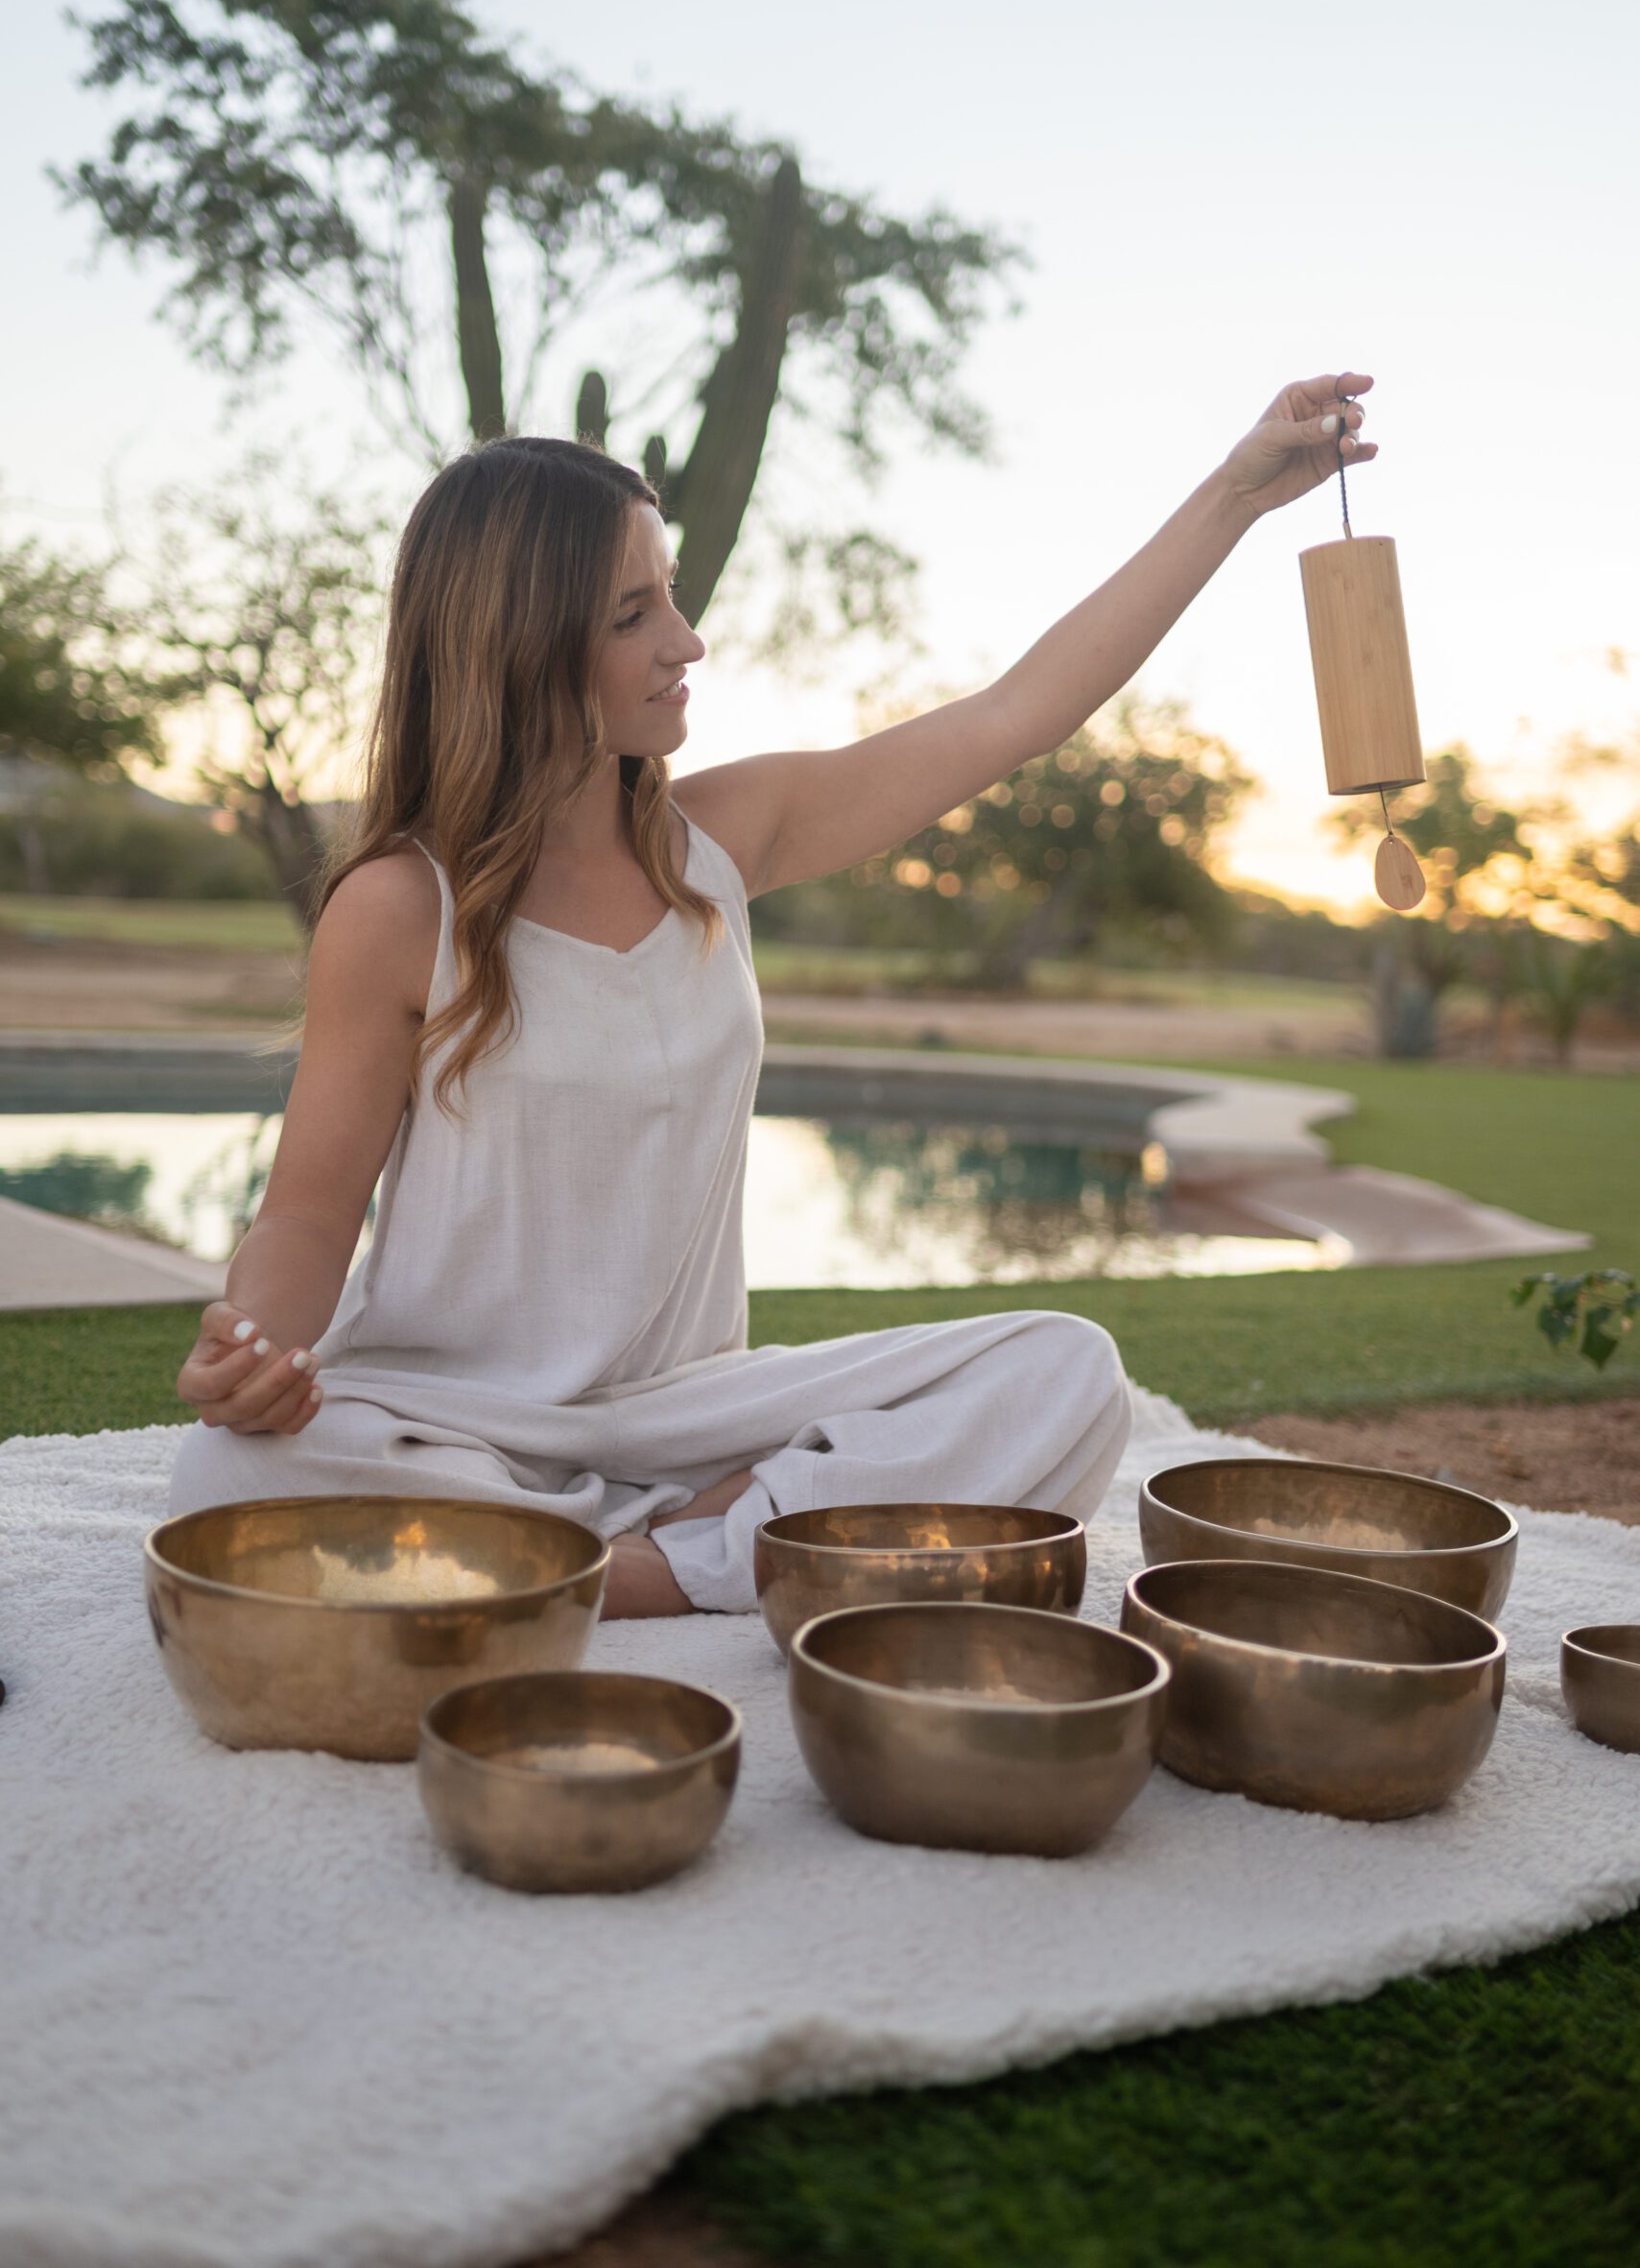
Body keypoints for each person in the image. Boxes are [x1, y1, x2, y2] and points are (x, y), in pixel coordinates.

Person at [169, 373, 1376, 1615]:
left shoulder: (722, 840)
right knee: (221, 1472)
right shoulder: (396, 906)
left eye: (672, 600)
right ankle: (706, 1557)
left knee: (1062, 1373)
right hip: (452, 1416)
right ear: (519, 645)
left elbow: (1018, 713)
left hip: (692, 1417)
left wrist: (1231, 498)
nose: (686, 643)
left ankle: (590, 1565)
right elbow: (309, 1219)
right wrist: (255, 1349)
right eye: (635, 614)